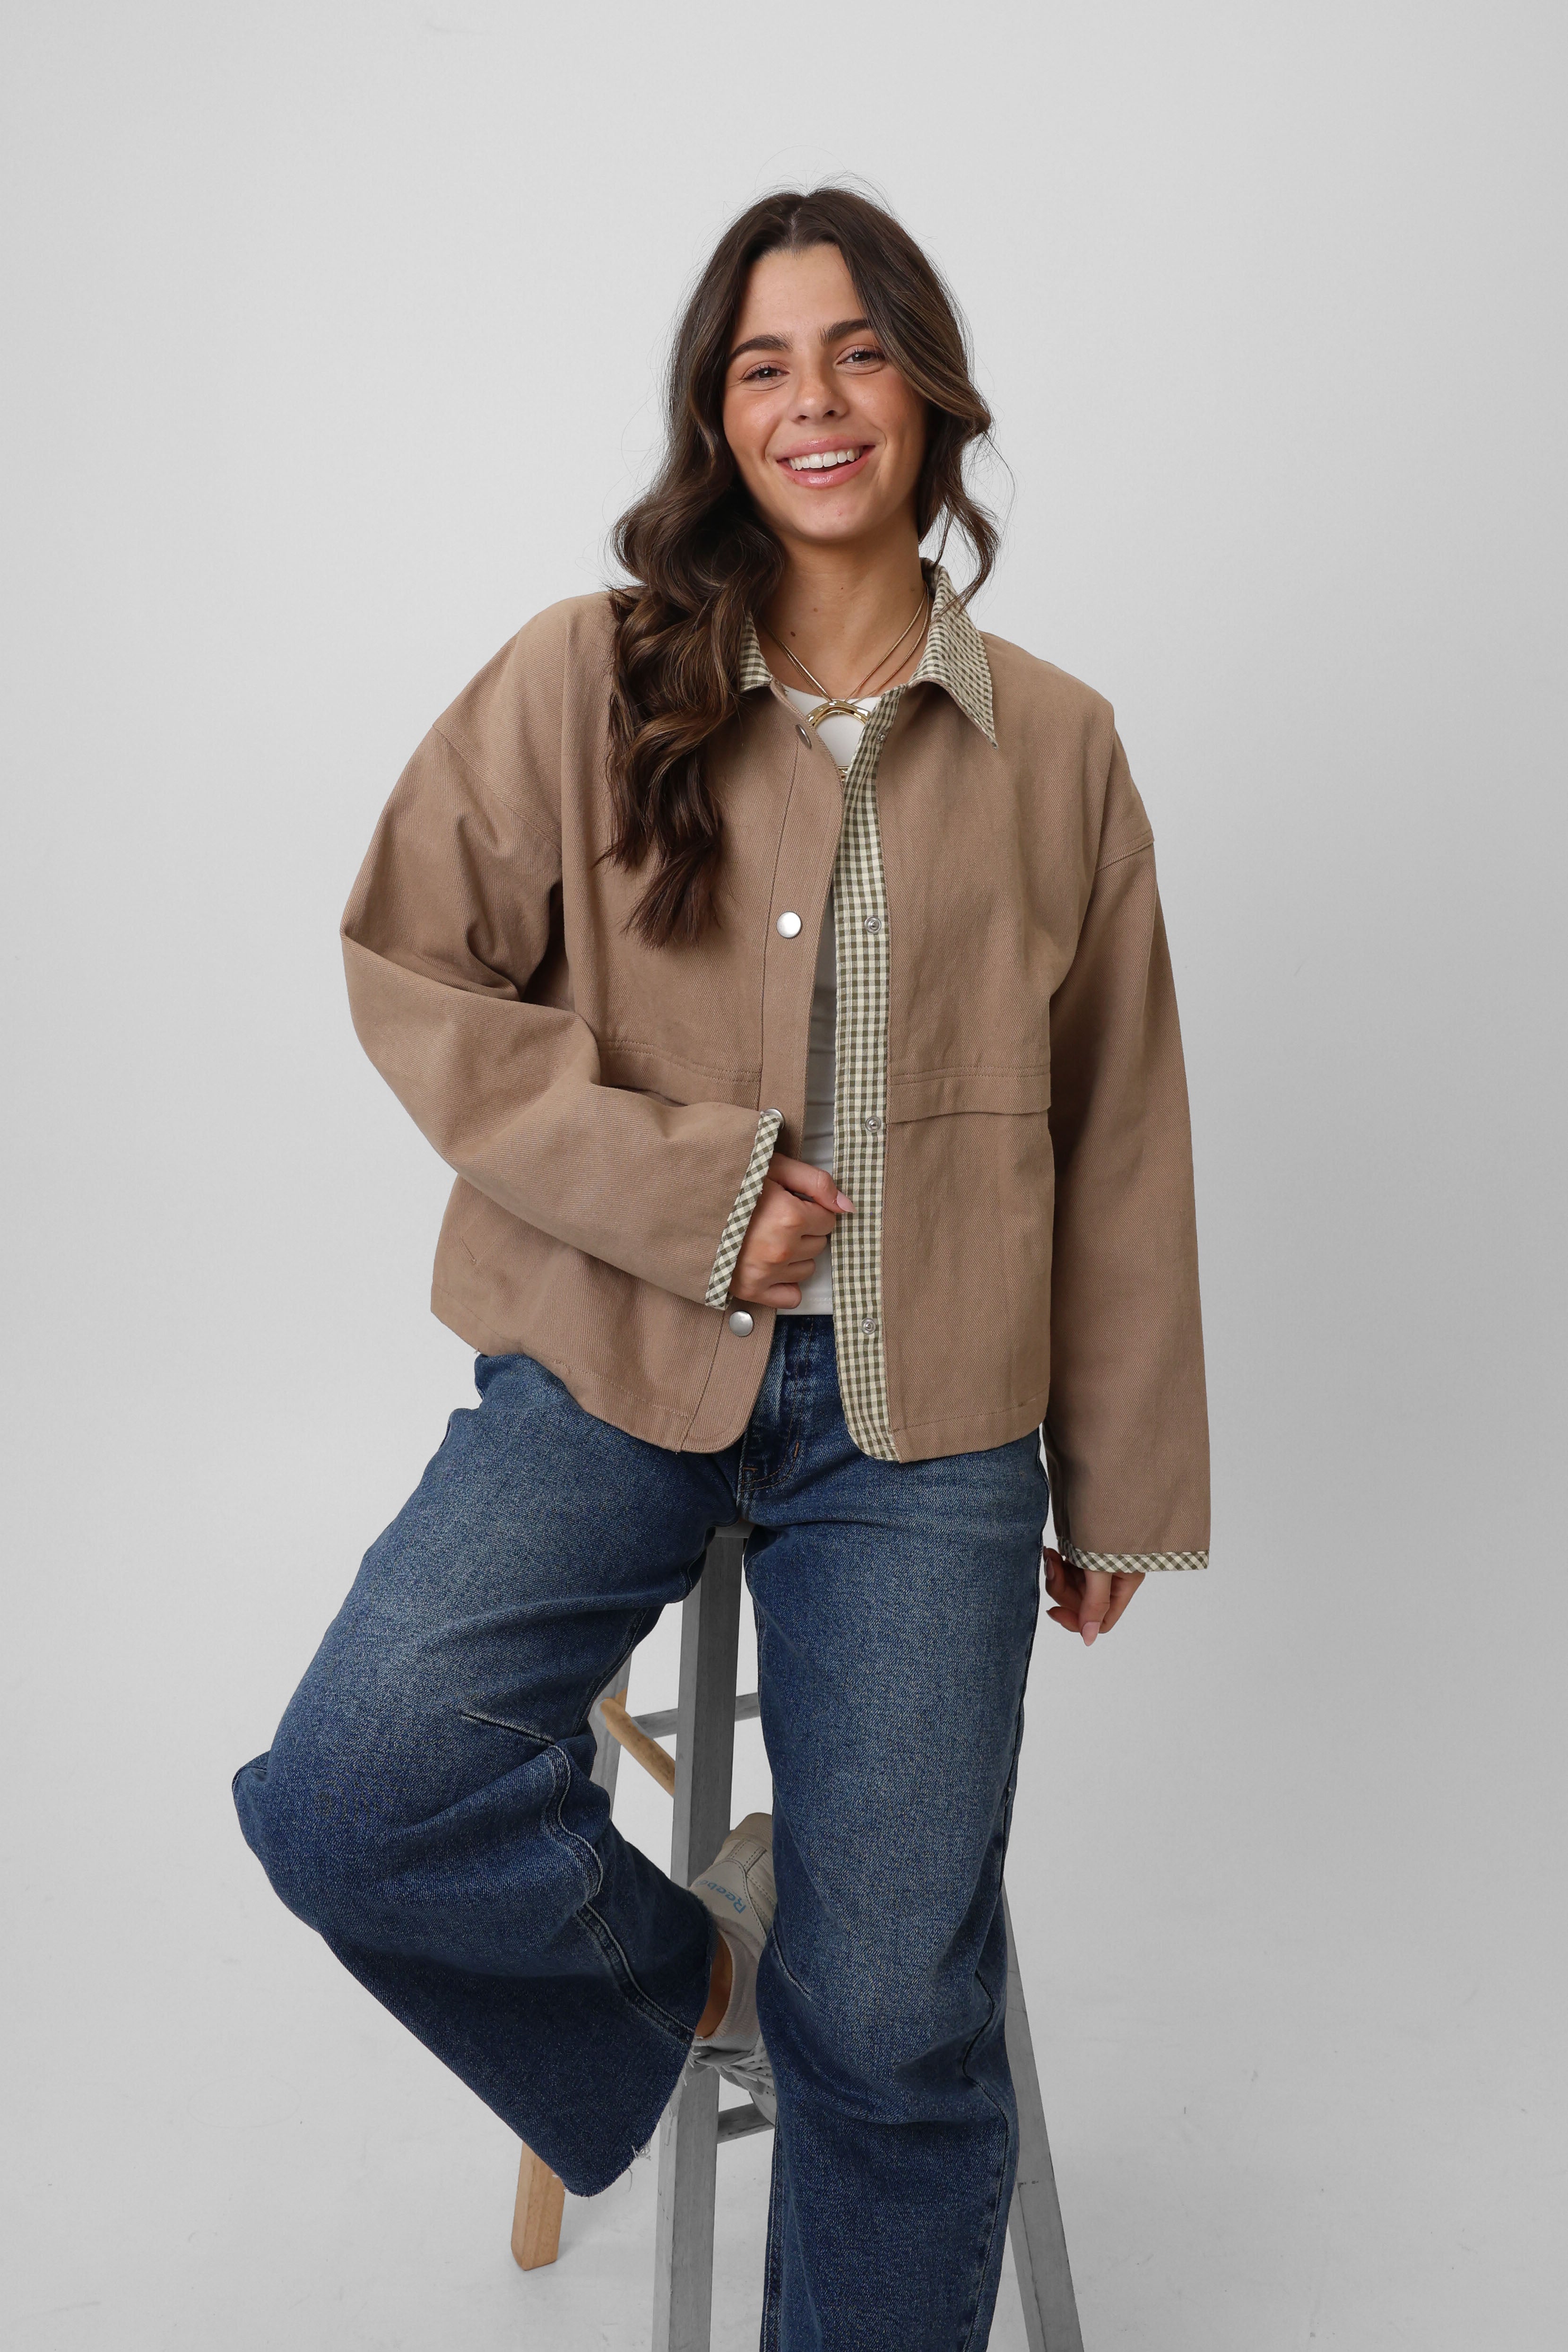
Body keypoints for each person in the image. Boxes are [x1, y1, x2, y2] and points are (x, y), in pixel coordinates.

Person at [233, 184, 1209, 2350]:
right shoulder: (583, 675)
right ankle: (698, 1973)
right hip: (604, 1358)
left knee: (895, 2007)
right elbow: (410, 962)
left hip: (930, 1407)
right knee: (353, 1784)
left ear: (927, 392)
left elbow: (1117, 1113)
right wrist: (689, 1188)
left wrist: (1118, 1476)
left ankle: (825, 1994)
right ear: (714, 413)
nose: (812, 400)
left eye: (854, 350)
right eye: (762, 363)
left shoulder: (1053, 741)